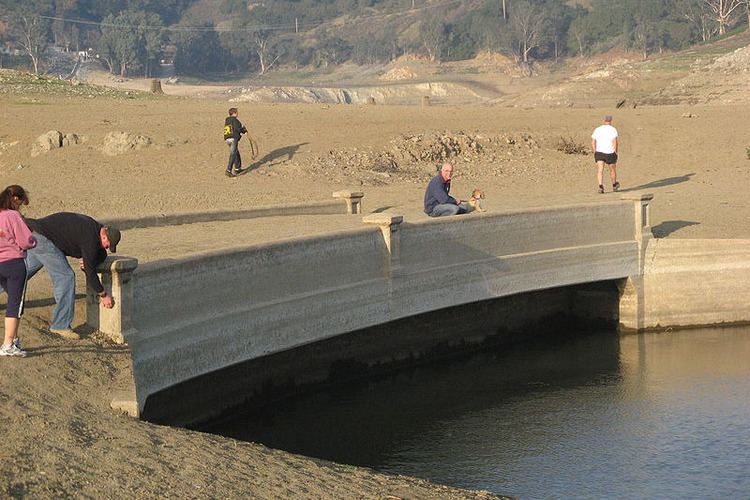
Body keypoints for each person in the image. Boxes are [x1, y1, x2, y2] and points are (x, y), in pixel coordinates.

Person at [23, 213, 121, 340]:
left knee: (21, 272)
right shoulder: (90, 238)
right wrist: (103, 294)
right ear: (104, 236)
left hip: (35, 232)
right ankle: (60, 325)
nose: (107, 248)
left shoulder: (94, 228)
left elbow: (101, 254)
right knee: (66, 276)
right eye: (108, 244)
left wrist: (91, 261)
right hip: (44, 238)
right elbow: (90, 273)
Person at [0, 186, 37, 357]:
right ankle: (8, 344)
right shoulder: (13, 216)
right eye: (21, 203)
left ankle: (13, 339)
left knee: (14, 301)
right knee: (15, 304)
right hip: (14, 264)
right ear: (15, 199)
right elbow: (25, 241)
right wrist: (33, 240)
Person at [591, 115, 620, 194]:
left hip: (599, 152)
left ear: (604, 120)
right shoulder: (613, 129)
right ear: (610, 121)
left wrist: (595, 152)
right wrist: (615, 152)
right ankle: (614, 185)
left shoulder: (597, 129)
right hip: (610, 152)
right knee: (612, 170)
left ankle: (600, 186)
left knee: (600, 170)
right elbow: (615, 142)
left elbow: (593, 142)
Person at [223, 107, 248, 178]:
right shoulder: (235, 120)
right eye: (237, 112)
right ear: (234, 113)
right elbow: (238, 128)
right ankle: (228, 170)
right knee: (233, 154)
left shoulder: (227, 120)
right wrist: (244, 130)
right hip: (233, 139)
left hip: (227, 139)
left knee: (236, 152)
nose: (238, 113)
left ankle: (237, 168)